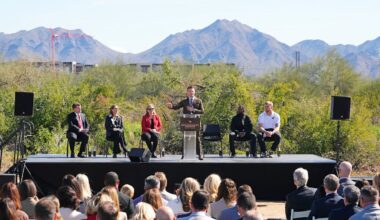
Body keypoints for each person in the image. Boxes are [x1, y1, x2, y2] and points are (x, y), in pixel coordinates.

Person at [166, 86, 204, 160]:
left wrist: (194, 110)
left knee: (197, 138)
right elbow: (177, 106)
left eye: (192, 91)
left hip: (196, 122)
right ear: (187, 93)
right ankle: (184, 154)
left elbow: (202, 111)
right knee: (185, 138)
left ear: (194, 92)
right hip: (186, 122)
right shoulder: (184, 101)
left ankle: (200, 154)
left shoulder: (199, 101)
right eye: (189, 91)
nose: (191, 93)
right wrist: (171, 106)